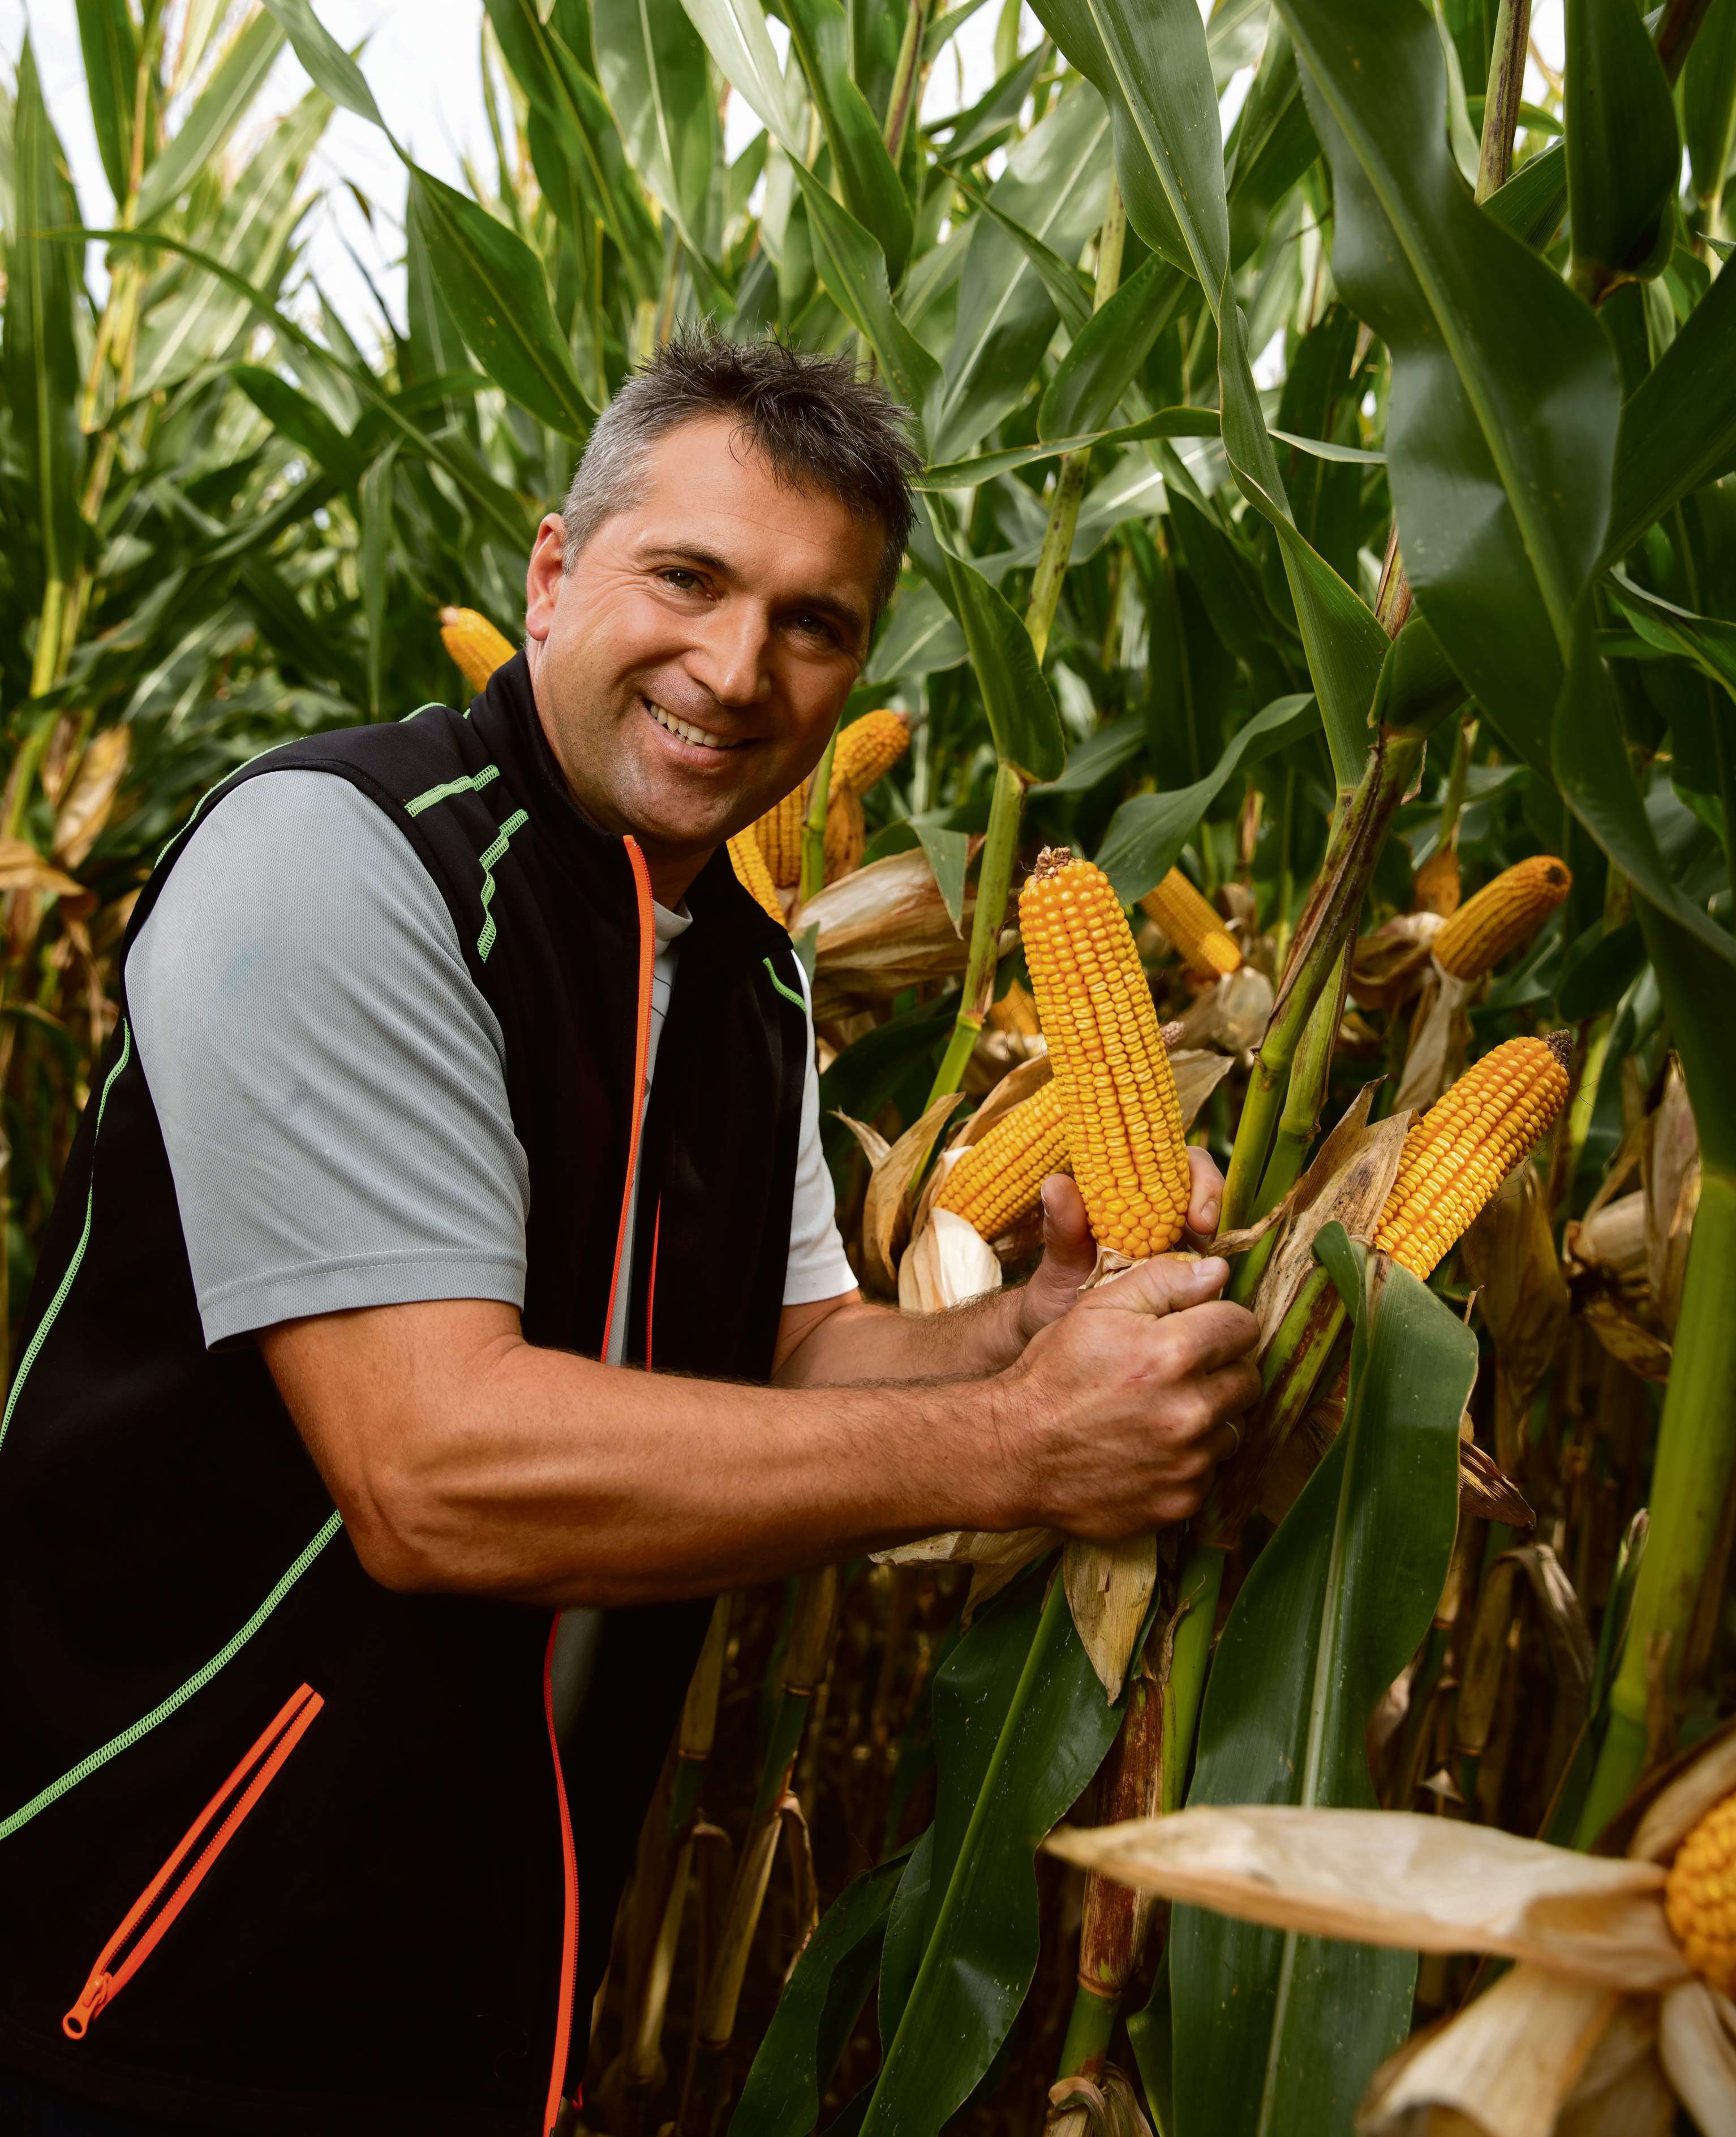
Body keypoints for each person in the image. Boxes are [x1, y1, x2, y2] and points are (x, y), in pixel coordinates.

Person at [0, 332, 1258, 2137]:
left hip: (483, 1977)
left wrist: (1024, 1331)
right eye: (688, 578)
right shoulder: (338, 864)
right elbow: (432, 1470)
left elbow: (797, 1351)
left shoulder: (747, 977)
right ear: (552, 573)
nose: (737, 671)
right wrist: (1021, 1444)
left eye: (814, 624)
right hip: (140, 1970)